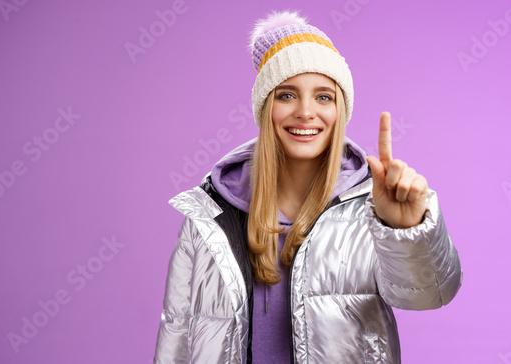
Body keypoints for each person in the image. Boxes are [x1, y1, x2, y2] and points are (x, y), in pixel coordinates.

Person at [154, 10, 463, 363]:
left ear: (339, 111)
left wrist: (405, 228)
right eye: (286, 95)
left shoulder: (371, 206)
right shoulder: (208, 214)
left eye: (323, 97)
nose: (305, 111)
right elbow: (176, 331)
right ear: (265, 108)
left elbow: (429, 293)